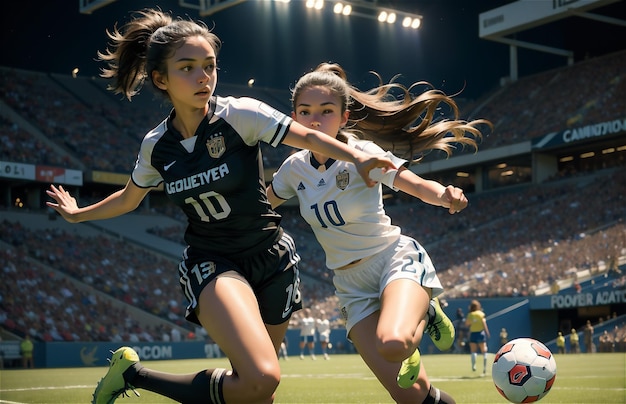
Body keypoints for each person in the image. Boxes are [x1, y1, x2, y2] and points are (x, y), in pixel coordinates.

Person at [45, 10, 395, 404]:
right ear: (160, 79)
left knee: (254, 392)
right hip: (214, 262)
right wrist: (78, 214)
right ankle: (136, 375)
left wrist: (356, 157)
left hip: (271, 260)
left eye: (209, 66)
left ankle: (129, 373)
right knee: (263, 378)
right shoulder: (156, 146)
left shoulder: (241, 113)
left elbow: (306, 138)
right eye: (188, 68)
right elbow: (128, 198)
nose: (203, 77)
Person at [268, 62, 490, 403]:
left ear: (343, 117)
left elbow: (411, 183)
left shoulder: (363, 154)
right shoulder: (292, 169)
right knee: (410, 395)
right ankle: (420, 325)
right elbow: (260, 206)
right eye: (306, 111)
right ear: (294, 118)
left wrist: (443, 195)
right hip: (349, 285)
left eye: (327, 111)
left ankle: (426, 311)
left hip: (391, 261)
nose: (315, 119)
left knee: (393, 342)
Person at [466, 299, 490, 375]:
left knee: (473, 351)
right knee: (484, 350)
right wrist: (487, 332)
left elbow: (467, 324)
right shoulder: (481, 314)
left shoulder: (470, 315)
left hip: (473, 333)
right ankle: (484, 368)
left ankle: (473, 366)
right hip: (481, 333)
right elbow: (484, 323)